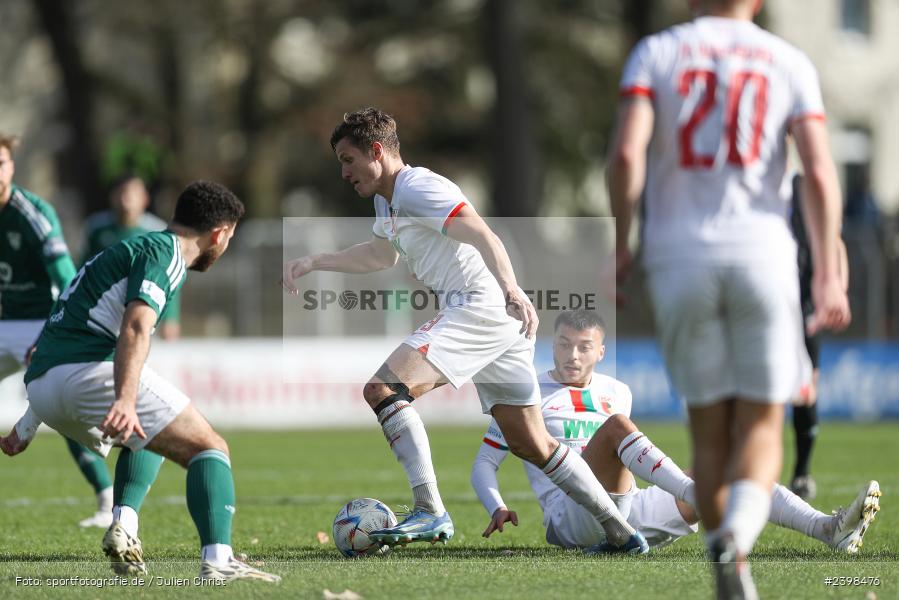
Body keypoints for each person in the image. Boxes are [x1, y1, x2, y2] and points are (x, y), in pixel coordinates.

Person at [281, 108, 646, 553]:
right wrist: (316, 262)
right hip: (493, 319)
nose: (343, 172)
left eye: (348, 159)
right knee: (531, 442)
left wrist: (512, 289)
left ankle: (429, 507)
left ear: (376, 151)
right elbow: (381, 255)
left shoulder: (419, 187)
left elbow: (483, 234)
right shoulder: (387, 199)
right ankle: (619, 529)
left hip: (478, 306)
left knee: (383, 389)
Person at [608, 1, 852, 596]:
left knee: (709, 431)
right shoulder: (786, 59)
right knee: (764, 425)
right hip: (763, 255)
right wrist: (828, 272)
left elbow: (623, 156)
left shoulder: (657, 51)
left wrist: (621, 241)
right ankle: (734, 541)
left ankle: (729, 553)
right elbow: (819, 172)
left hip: (678, 256)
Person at [0, 181, 280, 584]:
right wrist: (125, 399)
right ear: (219, 233)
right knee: (209, 447)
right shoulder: (165, 253)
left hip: (44, 384)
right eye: (230, 238)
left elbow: (63, 332)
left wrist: (28, 423)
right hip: (83, 370)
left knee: (146, 433)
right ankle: (219, 561)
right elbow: (136, 325)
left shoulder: (136, 248)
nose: (226, 246)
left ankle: (124, 526)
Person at [472, 310, 880, 554]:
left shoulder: (618, 391)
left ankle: (827, 530)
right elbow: (485, 463)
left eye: (583, 346)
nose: (572, 355)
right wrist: (496, 505)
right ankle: (689, 490)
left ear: (601, 351)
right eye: (563, 345)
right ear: (552, 345)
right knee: (617, 430)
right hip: (569, 518)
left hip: (625, 510)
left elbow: (624, 465)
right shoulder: (527, 393)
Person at [0, 133, 120, 528]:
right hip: (4, 321)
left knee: (62, 406)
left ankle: (108, 502)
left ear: (12, 166)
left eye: (0, 164)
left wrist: (52, 334)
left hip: (42, 321)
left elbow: (66, 278)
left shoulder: (33, 214)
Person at [788, 174, 849, 500]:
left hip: (805, 302)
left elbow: (834, 240)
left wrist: (838, 286)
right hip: (765, 300)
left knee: (806, 388)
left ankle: (801, 472)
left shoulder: (806, 185)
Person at [83, 173, 181, 340]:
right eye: (121, 192)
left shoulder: (157, 232)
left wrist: (171, 318)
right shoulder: (97, 229)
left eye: (132, 193)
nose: (126, 199)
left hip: (145, 312)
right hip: (104, 311)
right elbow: (83, 268)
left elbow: (168, 278)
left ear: (144, 199)